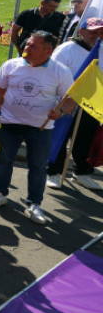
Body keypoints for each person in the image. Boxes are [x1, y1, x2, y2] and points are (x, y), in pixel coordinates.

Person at [0, 31, 73, 224]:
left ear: (48, 51)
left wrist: (60, 112)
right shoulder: (11, 65)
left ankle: (34, 204)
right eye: (27, 44)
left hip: (41, 128)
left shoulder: (61, 71)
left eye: (33, 46)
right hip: (9, 123)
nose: (26, 48)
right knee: (3, 160)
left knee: (38, 166)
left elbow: (70, 100)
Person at [47, 18, 103, 190]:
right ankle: (54, 172)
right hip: (66, 101)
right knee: (61, 136)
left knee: (85, 139)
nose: (97, 35)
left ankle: (82, 173)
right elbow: (53, 74)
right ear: (81, 32)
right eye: (93, 31)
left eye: (100, 32)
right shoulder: (67, 49)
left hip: (90, 102)